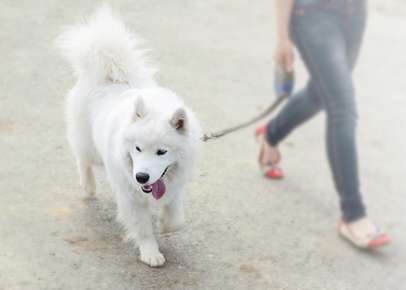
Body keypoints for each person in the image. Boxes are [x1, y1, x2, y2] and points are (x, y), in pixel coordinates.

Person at [257, 0, 390, 249]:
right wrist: (282, 36)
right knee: (342, 105)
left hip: (354, 12)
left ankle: (270, 134)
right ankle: (353, 214)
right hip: (312, 13)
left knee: (322, 93)